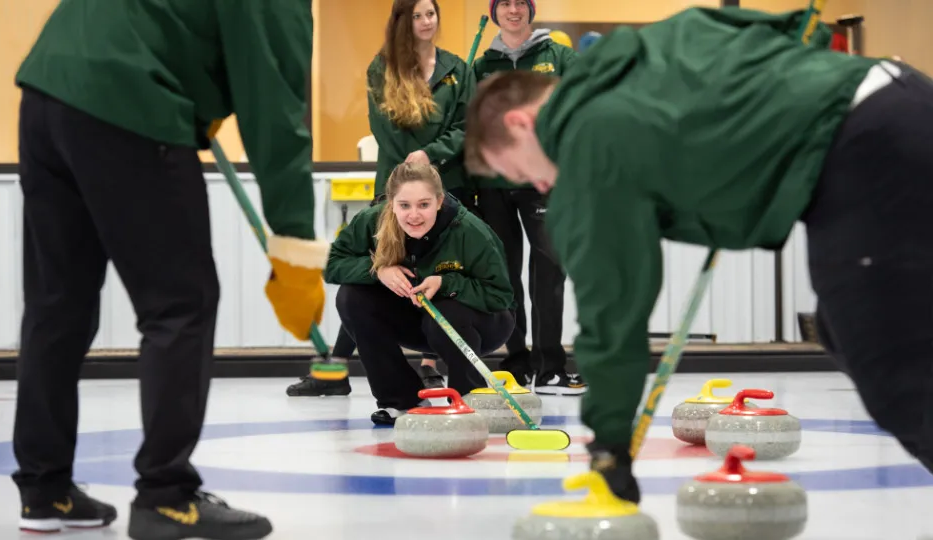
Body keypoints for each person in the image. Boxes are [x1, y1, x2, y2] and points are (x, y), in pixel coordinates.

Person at [462, 5, 933, 504]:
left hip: (865, 144)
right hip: (898, 99)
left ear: (520, 122)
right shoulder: (625, 70)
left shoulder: (587, 138)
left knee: (891, 364)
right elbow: (748, 29)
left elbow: (612, 308)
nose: (536, 185)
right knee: (846, 328)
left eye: (518, 170)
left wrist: (609, 447)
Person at [11, 1, 326, 538]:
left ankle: (44, 489)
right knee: (181, 304)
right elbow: (276, 112)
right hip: (130, 96)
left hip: (49, 89)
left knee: (57, 304)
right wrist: (295, 249)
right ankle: (165, 496)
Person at [287, 0, 473, 398]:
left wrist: (431, 155)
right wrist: (414, 168)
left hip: (448, 185)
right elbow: (385, 128)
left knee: (440, 272)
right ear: (402, 21)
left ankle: (430, 366)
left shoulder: (457, 68)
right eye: (416, 15)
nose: (425, 22)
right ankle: (336, 370)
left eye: (430, 13)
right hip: (397, 188)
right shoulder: (383, 68)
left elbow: (466, 125)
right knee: (379, 272)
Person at [324, 162, 515, 424]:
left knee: (446, 309)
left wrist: (447, 283)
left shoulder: (469, 230)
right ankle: (401, 400)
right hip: (417, 321)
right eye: (404, 205)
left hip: (484, 324)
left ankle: (469, 396)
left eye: (424, 205)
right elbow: (331, 264)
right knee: (351, 297)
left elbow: (500, 296)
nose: (414, 215)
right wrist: (377, 269)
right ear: (392, 203)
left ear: (439, 202)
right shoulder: (372, 221)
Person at [471, 0, 583, 394]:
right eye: (505, 3)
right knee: (504, 276)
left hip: (543, 182)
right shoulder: (481, 66)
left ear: (531, 9)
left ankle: (549, 367)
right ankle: (516, 363)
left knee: (549, 274)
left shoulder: (559, 57)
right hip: (494, 184)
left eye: (521, 2)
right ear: (495, 11)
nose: (513, 10)